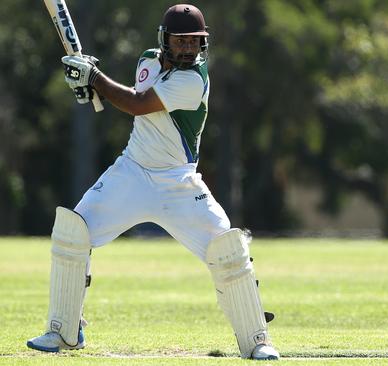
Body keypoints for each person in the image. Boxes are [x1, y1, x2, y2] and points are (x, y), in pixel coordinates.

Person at [26, 4, 279, 360]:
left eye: (195, 41)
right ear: (165, 40)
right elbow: (128, 97)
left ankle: (257, 340)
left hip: (179, 182)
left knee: (228, 250)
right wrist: (88, 84)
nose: (189, 48)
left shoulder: (194, 80)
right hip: (131, 172)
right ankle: (64, 331)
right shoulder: (147, 60)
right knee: (73, 233)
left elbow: (138, 103)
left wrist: (93, 78)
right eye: (182, 41)